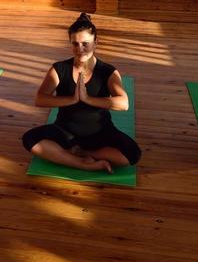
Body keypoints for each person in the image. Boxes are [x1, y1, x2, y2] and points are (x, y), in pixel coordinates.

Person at [22, 13, 141, 173]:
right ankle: (83, 164)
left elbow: (123, 103)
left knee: (132, 154)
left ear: (96, 42)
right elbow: (40, 99)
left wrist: (88, 99)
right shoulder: (59, 69)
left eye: (85, 43)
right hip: (65, 133)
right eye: (75, 44)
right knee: (29, 139)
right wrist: (72, 99)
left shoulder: (108, 71)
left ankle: (83, 153)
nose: (80, 49)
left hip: (100, 133)